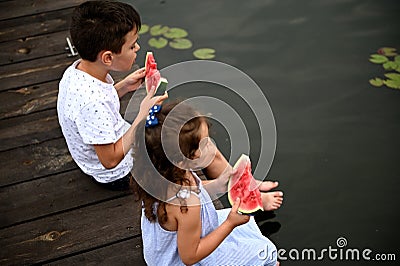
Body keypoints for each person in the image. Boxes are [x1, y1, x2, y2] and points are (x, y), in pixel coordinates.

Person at [132, 101, 279, 265]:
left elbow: (196, 189)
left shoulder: (162, 173)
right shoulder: (187, 205)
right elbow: (190, 257)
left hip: (173, 242)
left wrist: (218, 184)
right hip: (183, 257)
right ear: (183, 159)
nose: (211, 146)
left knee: (247, 233)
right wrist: (230, 224)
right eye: (205, 143)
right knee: (265, 252)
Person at [57, 1, 168, 190]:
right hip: (118, 173)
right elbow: (110, 160)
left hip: (109, 144)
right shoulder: (91, 103)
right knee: (181, 150)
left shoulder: (78, 70)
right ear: (108, 58)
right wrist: (142, 116)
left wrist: (123, 87)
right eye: (132, 46)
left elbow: (100, 106)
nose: (138, 49)